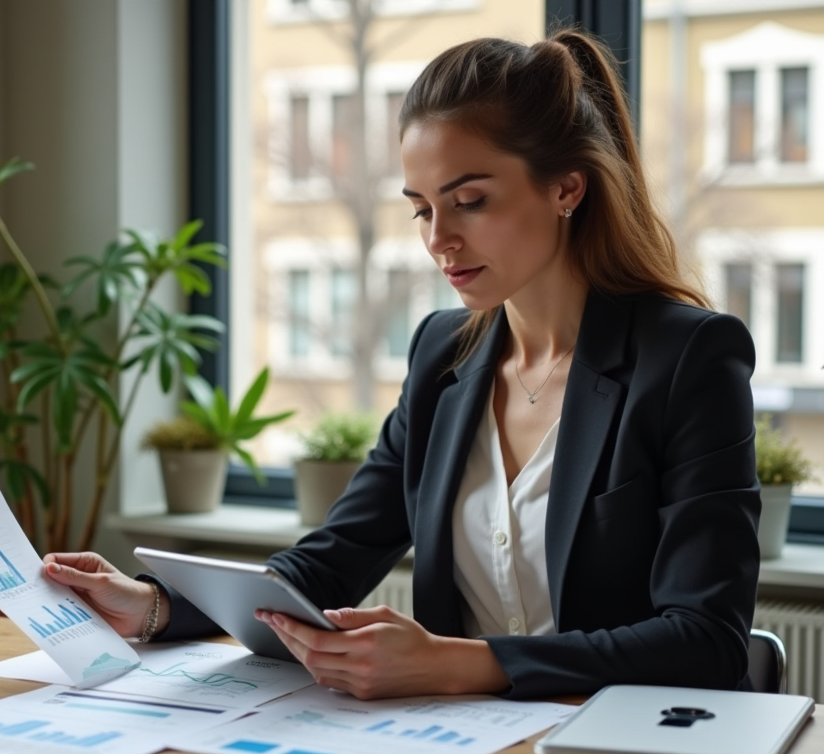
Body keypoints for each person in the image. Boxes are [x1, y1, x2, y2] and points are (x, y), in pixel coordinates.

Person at [43, 31, 760, 702]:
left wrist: (458, 662)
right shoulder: (443, 356)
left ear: (566, 188)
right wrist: (158, 606)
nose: (439, 239)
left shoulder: (688, 358)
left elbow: (707, 642)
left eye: (470, 202)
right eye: (421, 210)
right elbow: (332, 560)